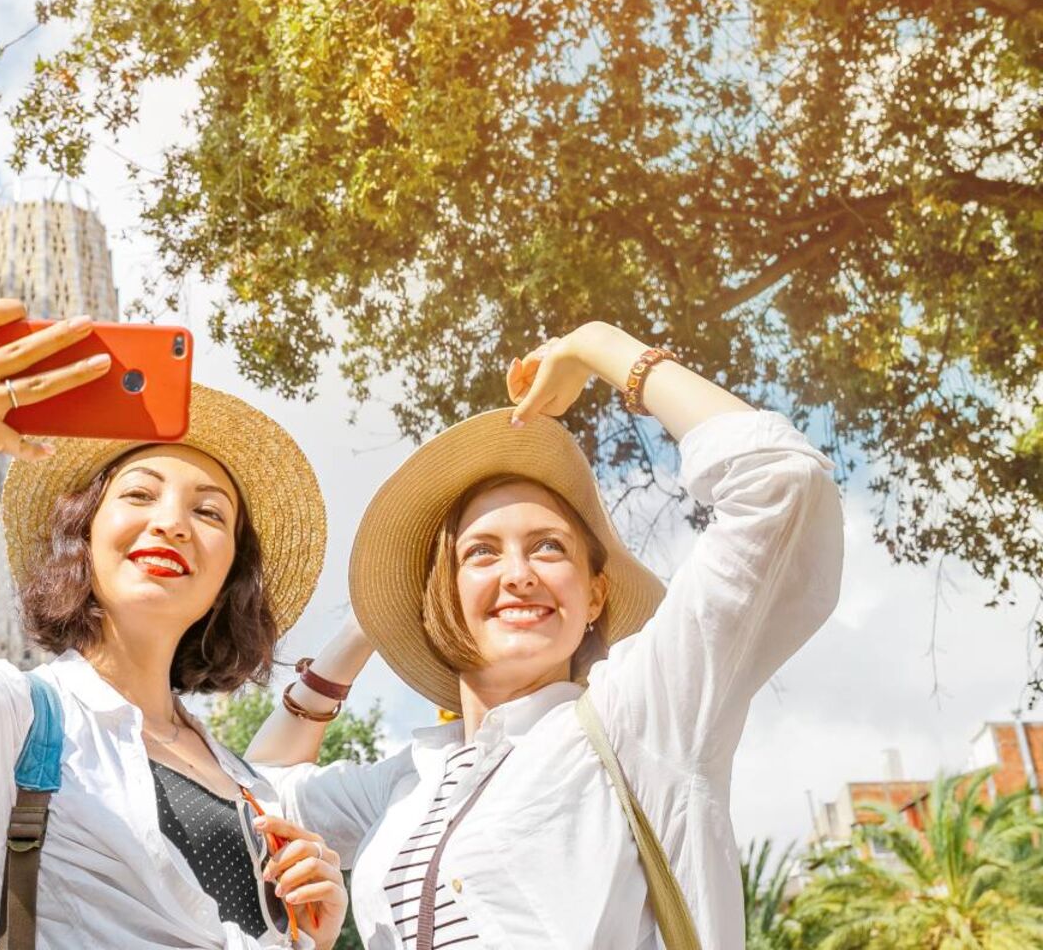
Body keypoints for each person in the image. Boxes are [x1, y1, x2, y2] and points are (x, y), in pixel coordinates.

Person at [250, 320, 843, 948]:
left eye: (549, 548)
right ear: (442, 597)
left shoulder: (639, 716)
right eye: (480, 554)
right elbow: (257, 795)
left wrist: (598, 346)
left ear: (594, 594)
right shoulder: (409, 782)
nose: (518, 575)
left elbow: (781, 482)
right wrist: (364, 627)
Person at [0, 300, 350, 948]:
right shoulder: (24, 723)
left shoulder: (250, 787)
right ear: (83, 535)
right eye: (139, 495)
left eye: (209, 513)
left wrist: (310, 935)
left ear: (231, 574)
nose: (171, 522)